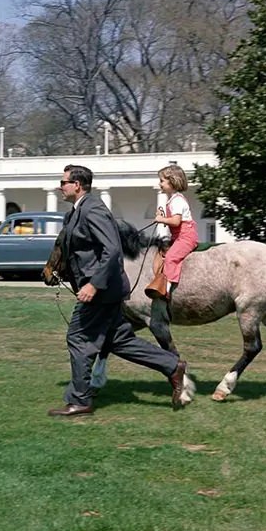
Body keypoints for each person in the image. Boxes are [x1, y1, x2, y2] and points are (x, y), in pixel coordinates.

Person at [47, 164, 187, 417]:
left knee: (78, 338)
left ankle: (80, 400)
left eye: (64, 182)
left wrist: (93, 284)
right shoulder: (76, 212)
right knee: (119, 340)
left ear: (77, 185)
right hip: (104, 289)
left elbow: (111, 250)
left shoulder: (94, 210)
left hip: (102, 290)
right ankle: (172, 365)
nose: (61, 186)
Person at [145, 164, 198, 301]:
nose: (160, 183)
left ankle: (166, 290)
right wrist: (162, 217)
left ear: (172, 181)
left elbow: (175, 222)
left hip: (185, 237)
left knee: (171, 258)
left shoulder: (178, 200)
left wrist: (161, 218)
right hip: (177, 236)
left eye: (162, 181)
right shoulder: (173, 200)